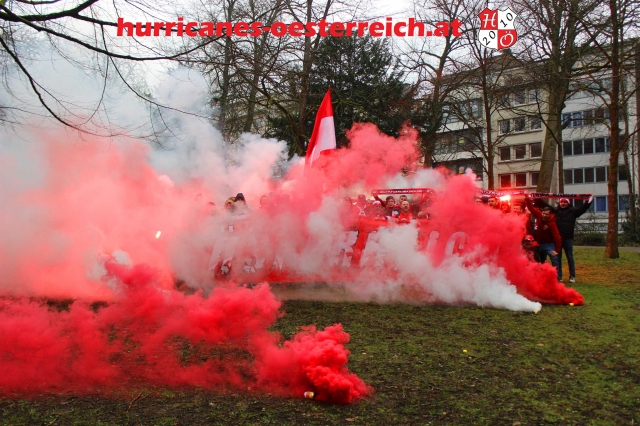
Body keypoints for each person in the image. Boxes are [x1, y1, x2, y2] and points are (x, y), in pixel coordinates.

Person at [535, 197, 593, 283]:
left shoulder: (573, 212)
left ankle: (572, 276)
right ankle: (559, 276)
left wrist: (589, 201)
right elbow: (545, 205)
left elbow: (582, 209)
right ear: (559, 203)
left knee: (570, 257)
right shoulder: (555, 211)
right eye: (562, 202)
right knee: (558, 257)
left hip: (568, 238)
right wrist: (537, 199)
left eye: (565, 202)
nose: (563, 204)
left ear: (568, 203)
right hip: (557, 239)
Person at [525, 197, 562, 280]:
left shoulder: (552, 223)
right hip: (539, 242)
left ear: (550, 215)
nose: (544, 215)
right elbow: (531, 208)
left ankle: (557, 276)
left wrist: (557, 250)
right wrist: (527, 199)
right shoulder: (538, 215)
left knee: (554, 258)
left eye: (546, 214)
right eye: (543, 213)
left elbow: (557, 237)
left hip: (548, 244)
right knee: (540, 259)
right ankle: (541, 275)